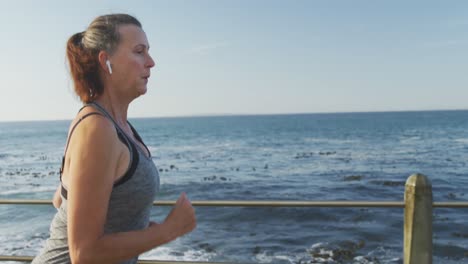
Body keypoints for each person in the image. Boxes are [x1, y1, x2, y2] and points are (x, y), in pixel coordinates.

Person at [32, 14, 196, 264]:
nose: (151, 62)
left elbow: (61, 199)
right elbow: (84, 254)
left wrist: (136, 226)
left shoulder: (114, 126)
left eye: (148, 52)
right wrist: (168, 230)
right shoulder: (97, 128)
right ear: (105, 61)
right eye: (139, 52)